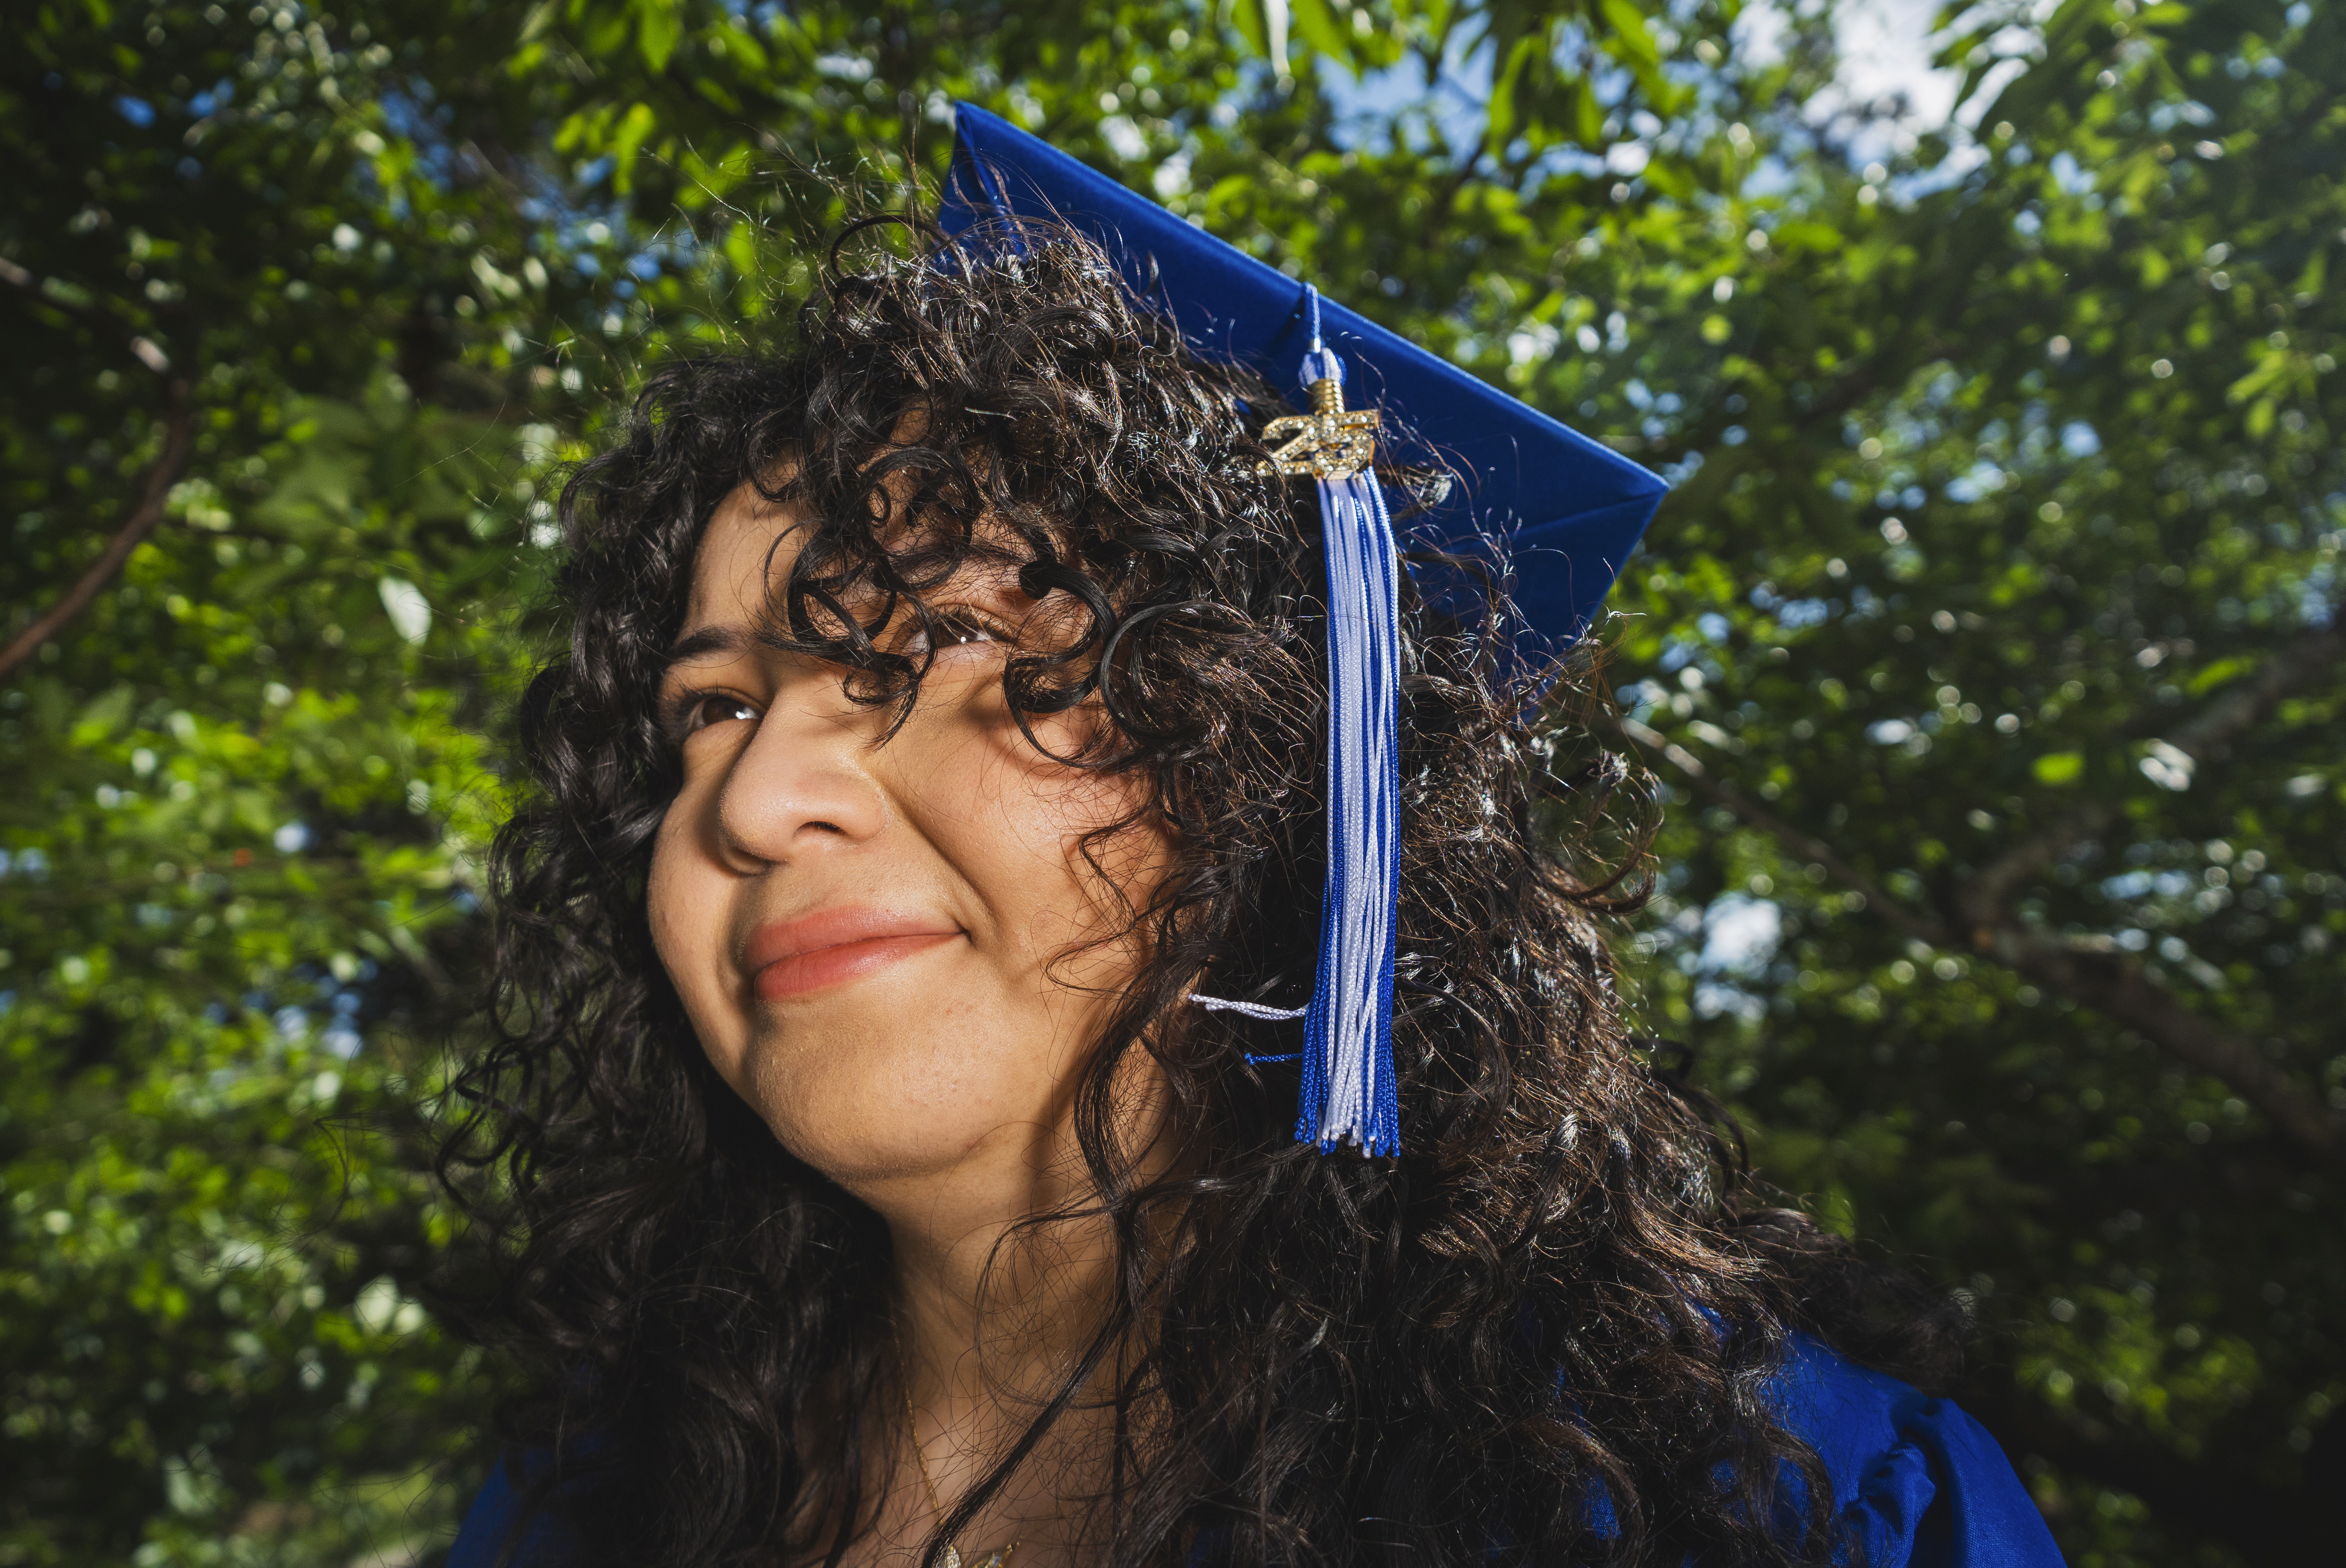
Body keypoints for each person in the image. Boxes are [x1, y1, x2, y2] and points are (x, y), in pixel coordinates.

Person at [438, 109, 2063, 1568]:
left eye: (916, 650)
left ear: (1267, 756)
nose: (752, 794)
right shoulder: (582, 1502)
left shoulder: (1754, 1501)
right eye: (708, 708)